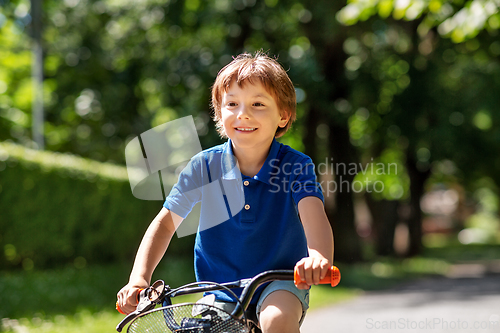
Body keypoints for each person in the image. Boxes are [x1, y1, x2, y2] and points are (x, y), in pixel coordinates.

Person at [117, 51, 334, 333]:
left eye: (258, 104)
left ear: (283, 115)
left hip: (280, 281)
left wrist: (319, 257)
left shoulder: (295, 166)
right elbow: (166, 223)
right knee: (207, 327)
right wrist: (139, 278)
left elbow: (313, 212)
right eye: (232, 103)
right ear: (220, 113)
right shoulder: (203, 166)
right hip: (219, 288)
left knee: (276, 320)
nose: (243, 113)